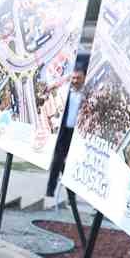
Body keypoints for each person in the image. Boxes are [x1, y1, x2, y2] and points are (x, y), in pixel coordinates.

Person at [47, 58, 87, 205]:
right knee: (58, 160)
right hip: (64, 131)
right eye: (73, 78)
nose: (75, 80)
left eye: (78, 78)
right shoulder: (66, 92)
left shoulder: (85, 95)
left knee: (71, 163)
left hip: (75, 133)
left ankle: (71, 195)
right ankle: (52, 191)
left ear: (83, 78)